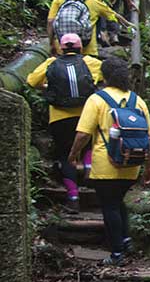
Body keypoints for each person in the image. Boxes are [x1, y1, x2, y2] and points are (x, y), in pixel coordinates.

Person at [68, 56, 150, 266]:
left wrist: (73, 155)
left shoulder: (97, 100)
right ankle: (125, 241)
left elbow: (83, 134)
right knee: (118, 201)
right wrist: (149, 166)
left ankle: (117, 253)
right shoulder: (137, 101)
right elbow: (149, 138)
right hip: (131, 165)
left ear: (105, 77)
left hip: (106, 164)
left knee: (109, 205)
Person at [26, 33, 103, 213]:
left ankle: (73, 197)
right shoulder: (92, 63)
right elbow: (104, 78)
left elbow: (31, 81)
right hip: (86, 114)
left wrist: (47, 87)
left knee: (65, 154)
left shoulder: (50, 63)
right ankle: (89, 169)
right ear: (81, 48)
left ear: (61, 48)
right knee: (90, 144)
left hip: (59, 118)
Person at [46, 0, 128, 57]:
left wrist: (51, 43)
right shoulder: (95, 0)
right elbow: (114, 16)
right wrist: (129, 25)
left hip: (63, 48)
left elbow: (50, 21)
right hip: (88, 50)